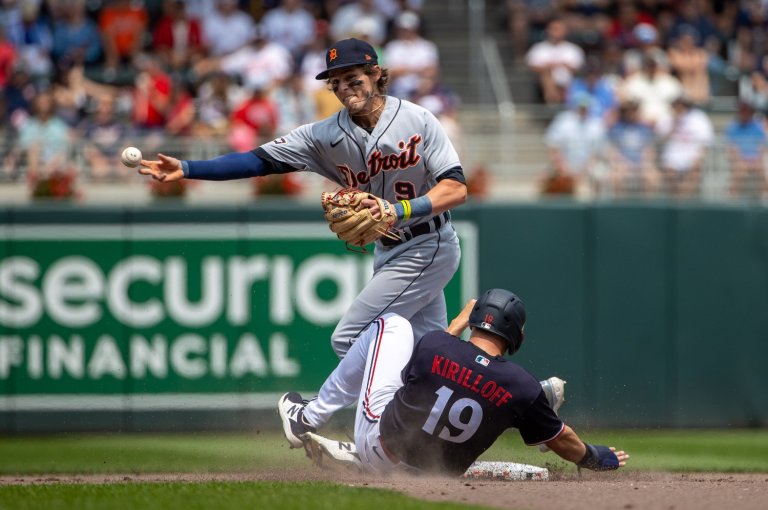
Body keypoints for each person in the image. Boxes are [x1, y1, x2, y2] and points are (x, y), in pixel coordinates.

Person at [137, 39, 466, 374]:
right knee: (431, 354)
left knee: (351, 338)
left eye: (353, 79)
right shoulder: (321, 136)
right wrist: (190, 169)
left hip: (429, 242)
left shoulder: (418, 119)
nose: (344, 89)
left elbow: (455, 189)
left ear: (376, 73)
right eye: (335, 83)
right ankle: (432, 412)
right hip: (388, 249)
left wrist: (398, 211)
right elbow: (255, 161)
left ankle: (381, 416)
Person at [277, 288, 630, 475]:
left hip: (380, 449)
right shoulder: (520, 385)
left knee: (392, 325)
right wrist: (596, 458)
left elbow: (423, 373)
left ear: (475, 320)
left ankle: (308, 416)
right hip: (433, 477)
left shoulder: (435, 344)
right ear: (515, 336)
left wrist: (456, 325)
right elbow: (564, 441)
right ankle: (531, 416)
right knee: (510, 405)